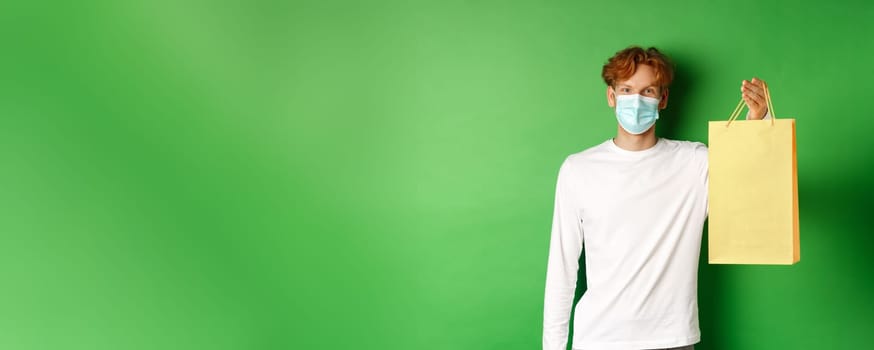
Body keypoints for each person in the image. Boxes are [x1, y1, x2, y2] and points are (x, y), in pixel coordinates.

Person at [541, 46, 770, 350]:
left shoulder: (696, 164)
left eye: (647, 90)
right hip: (599, 339)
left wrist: (759, 120)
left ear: (662, 99)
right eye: (626, 89)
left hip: (671, 339)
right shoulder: (578, 169)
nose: (636, 100)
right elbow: (562, 269)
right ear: (612, 97)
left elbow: (748, 184)